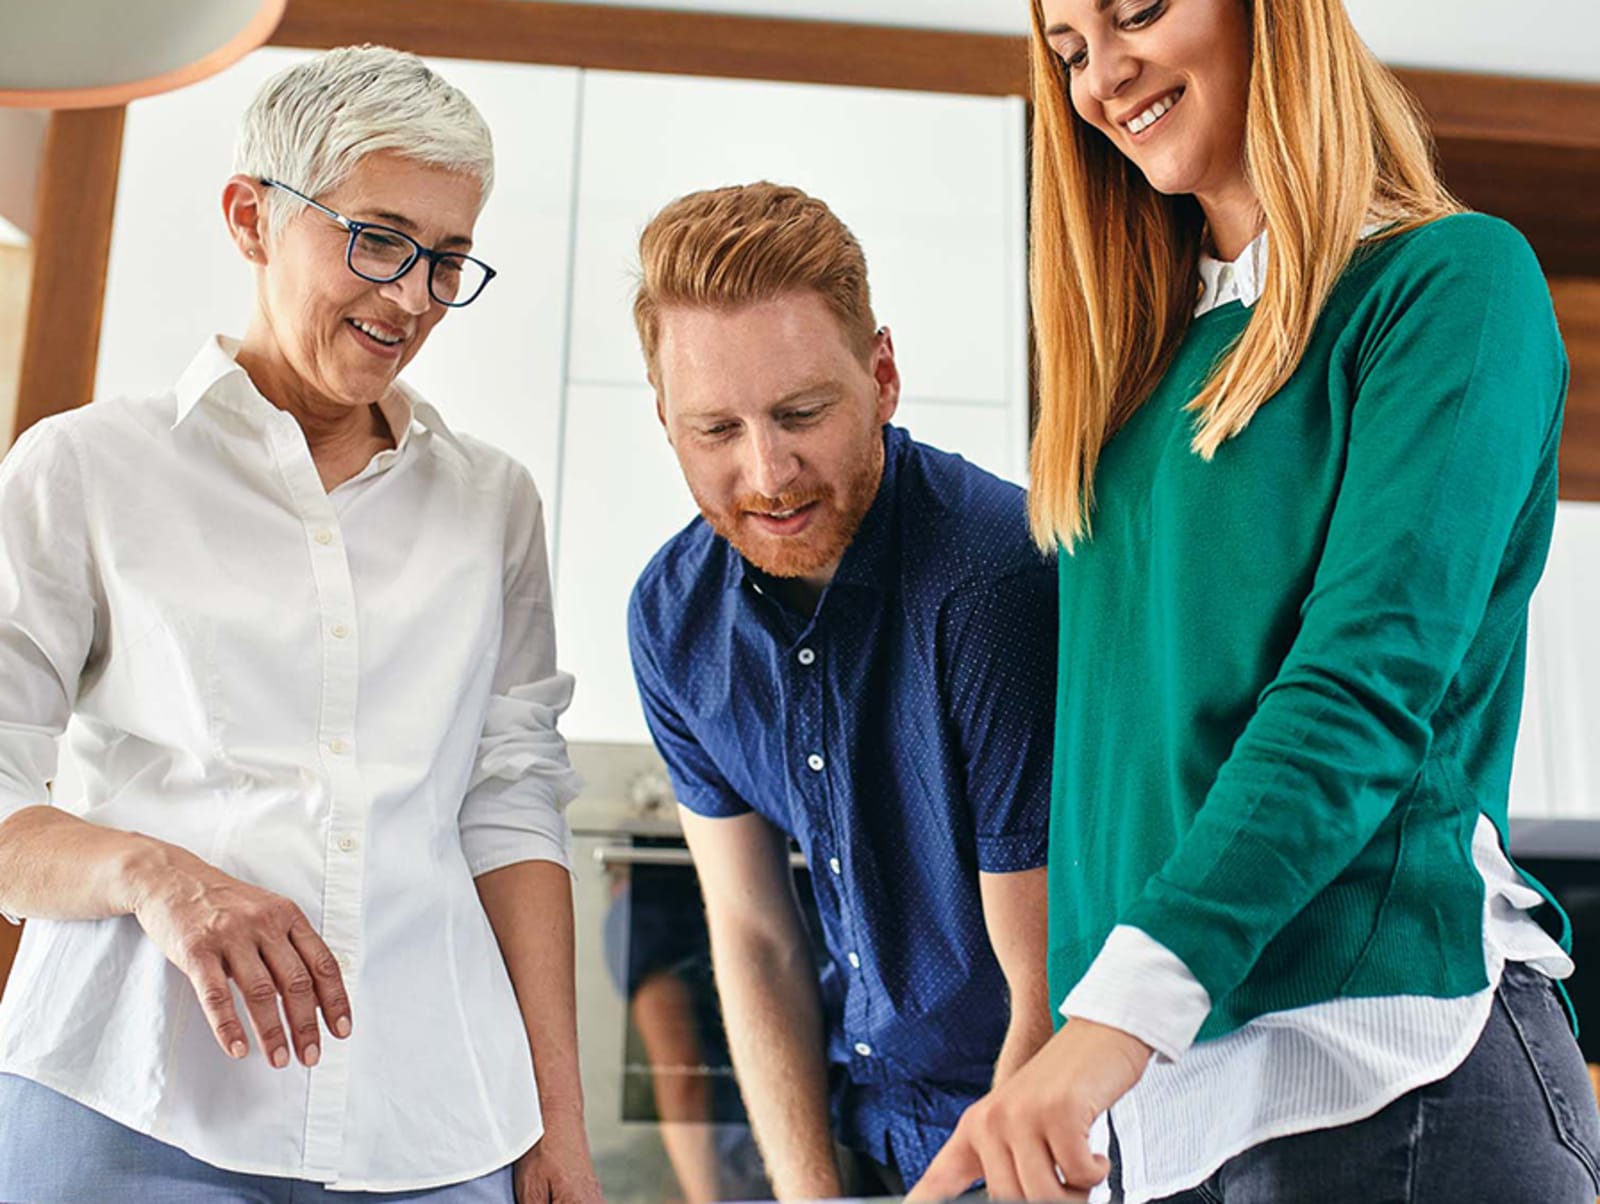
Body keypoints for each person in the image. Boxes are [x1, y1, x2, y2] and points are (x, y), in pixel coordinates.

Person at [909, 2, 1597, 1203]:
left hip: (1390, 1071)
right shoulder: (1127, 383)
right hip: (1170, 1115)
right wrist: (1062, 1060)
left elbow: (1359, 692)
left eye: (1135, 12)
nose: (1103, 77)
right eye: (1068, 49)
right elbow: (1118, 768)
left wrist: (1112, 1024)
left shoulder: (1446, 283)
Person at [0, 46, 600, 1204]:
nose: (410, 298)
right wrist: (154, 873)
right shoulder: (82, 468)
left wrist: (556, 1122)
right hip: (124, 1094)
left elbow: (510, 804)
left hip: (432, 1120)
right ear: (251, 217)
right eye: (377, 239)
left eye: (447, 260)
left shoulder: (492, 505)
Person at [625, 181, 1059, 1197]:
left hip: (1030, 1142)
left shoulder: (995, 584)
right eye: (715, 430)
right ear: (665, 421)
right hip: (858, 1132)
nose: (768, 472)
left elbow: (1045, 992)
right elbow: (755, 936)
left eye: (800, 413)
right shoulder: (672, 618)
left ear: (882, 374)